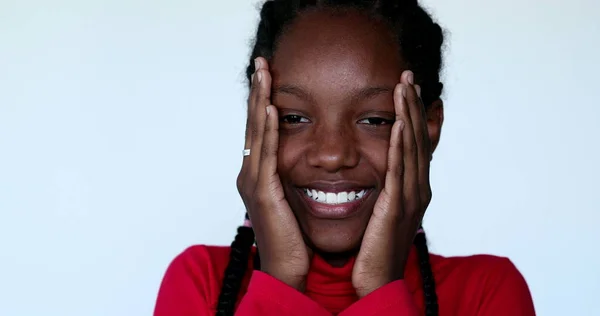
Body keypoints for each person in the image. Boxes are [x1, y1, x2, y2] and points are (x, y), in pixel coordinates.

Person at [154, 0, 536, 315]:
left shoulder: (487, 292)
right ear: (256, 123)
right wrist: (280, 281)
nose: (333, 155)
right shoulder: (200, 283)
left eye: (374, 119)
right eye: (294, 118)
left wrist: (381, 288)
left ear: (428, 126)